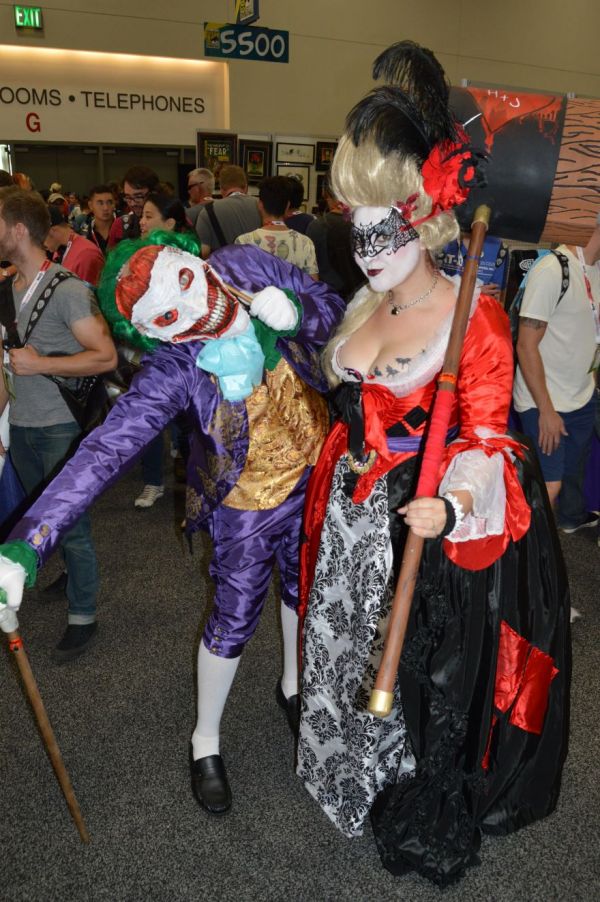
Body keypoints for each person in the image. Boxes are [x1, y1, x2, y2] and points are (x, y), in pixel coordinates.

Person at [296, 40, 570, 886]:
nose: (367, 249)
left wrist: (450, 504)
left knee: (412, 669)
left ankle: (399, 782)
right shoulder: (363, 305)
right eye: (355, 229)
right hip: (348, 518)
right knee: (340, 645)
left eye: (383, 231)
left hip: (419, 524)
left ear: (422, 219)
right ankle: (337, 770)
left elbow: (487, 436)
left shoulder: (471, 317)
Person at [0, 229, 344, 816]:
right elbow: (104, 451)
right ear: (154, 333)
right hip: (245, 501)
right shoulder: (174, 367)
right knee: (234, 617)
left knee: (303, 587)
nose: (193, 306)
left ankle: (293, 685)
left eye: (184, 281)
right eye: (166, 315)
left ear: (189, 257)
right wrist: (26, 545)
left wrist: (298, 313)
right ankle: (205, 740)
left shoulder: (245, 265)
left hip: (316, 471)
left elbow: (336, 313)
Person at [0, 186, 117, 661]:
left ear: (18, 230)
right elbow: (6, 369)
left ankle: (83, 613)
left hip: (60, 427)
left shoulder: (68, 289)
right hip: (22, 426)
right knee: (35, 514)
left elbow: (105, 356)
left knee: (72, 524)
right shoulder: (6, 290)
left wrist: (42, 364)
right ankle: (68, 573)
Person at [513, 218, 600, 535]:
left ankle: (569, 519)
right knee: (548, 487)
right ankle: (526, 556)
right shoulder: (553, 270)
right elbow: (526, 345)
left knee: (572, 470)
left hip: (581, 394)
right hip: (543, 401)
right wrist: (546, 411)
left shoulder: (596, 271)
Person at [134, 192, 198, 509]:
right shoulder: (137, 256)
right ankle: (153, 482)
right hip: (149, 352)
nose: (141, 222)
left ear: (170, 223)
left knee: (189, 424)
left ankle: (194, 490)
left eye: (149, 216)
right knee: (148, 419)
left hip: (183, 353)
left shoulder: (189, 260)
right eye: (142, 216)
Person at [235, 176, 319, 279]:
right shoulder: (305, 243)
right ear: (287, 206)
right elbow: (313, 284)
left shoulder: (243, 242)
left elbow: (238, 282)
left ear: (260, 205)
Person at [195, 164, 261, 258]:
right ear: (246, 187)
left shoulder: (208, 211)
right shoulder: (262, 206)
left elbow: (203, 252)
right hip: (258, 265)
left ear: (221, 189)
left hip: (223, 266)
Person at [44, 204, 105, 287]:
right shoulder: (59, 249)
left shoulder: (86, 255)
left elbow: (87, 294)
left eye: (40, 237)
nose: (40, 244)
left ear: (52, 231)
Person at [108, 166, 160, 248]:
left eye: (138, 197)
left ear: (154, 193)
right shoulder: (120, 225)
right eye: (128, 197)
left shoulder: (169, 223)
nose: (132, 203)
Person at [77, 185, 116, 256]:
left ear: (114, 204)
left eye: (109, 202)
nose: (105, 208)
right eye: (100, 203)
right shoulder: (84, 233)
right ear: (90, 205)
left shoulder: (125, 226)